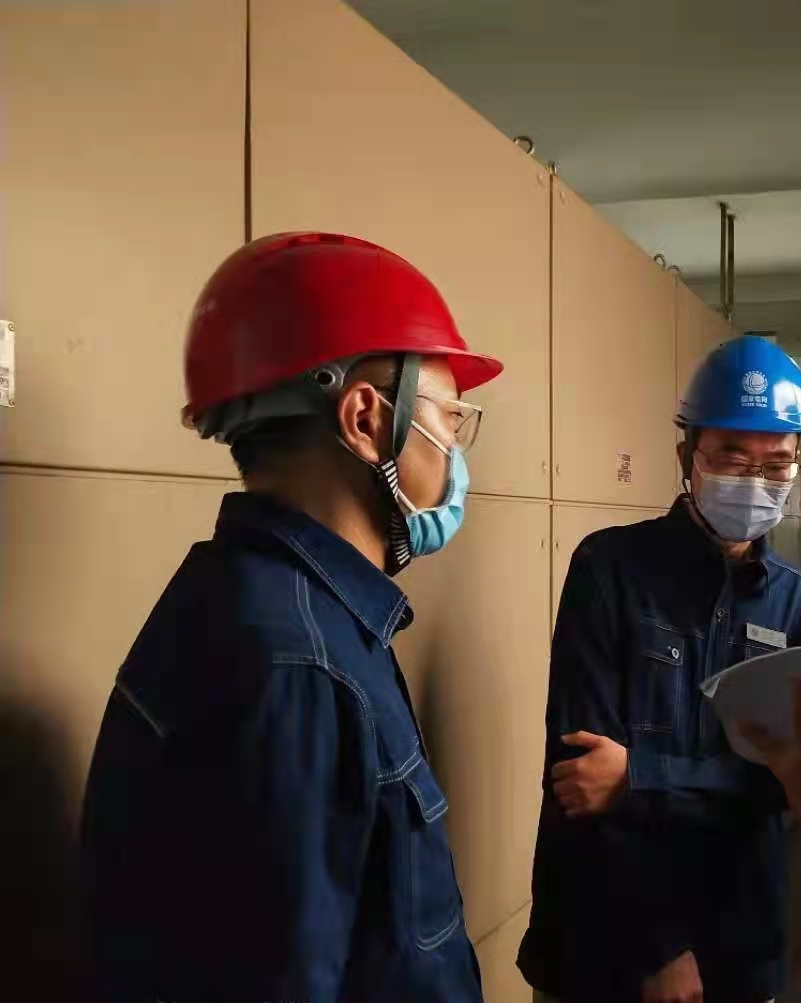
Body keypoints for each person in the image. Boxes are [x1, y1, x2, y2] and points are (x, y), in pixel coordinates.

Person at [79, 232, 501, 1002]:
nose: (455, 452)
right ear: (366, 417)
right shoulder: (298, 666)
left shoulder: (263, 603)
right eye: (449, 418)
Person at [518, 336, 801, 1003]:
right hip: (605, 941)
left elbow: (789, 784)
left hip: (739, 940)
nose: (754, 480)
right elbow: (581, 778)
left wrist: (639, 775)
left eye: (776, 463)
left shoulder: (800, 605)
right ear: (687, 455)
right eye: (731, 457)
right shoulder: (610, 570)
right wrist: (657, 947)